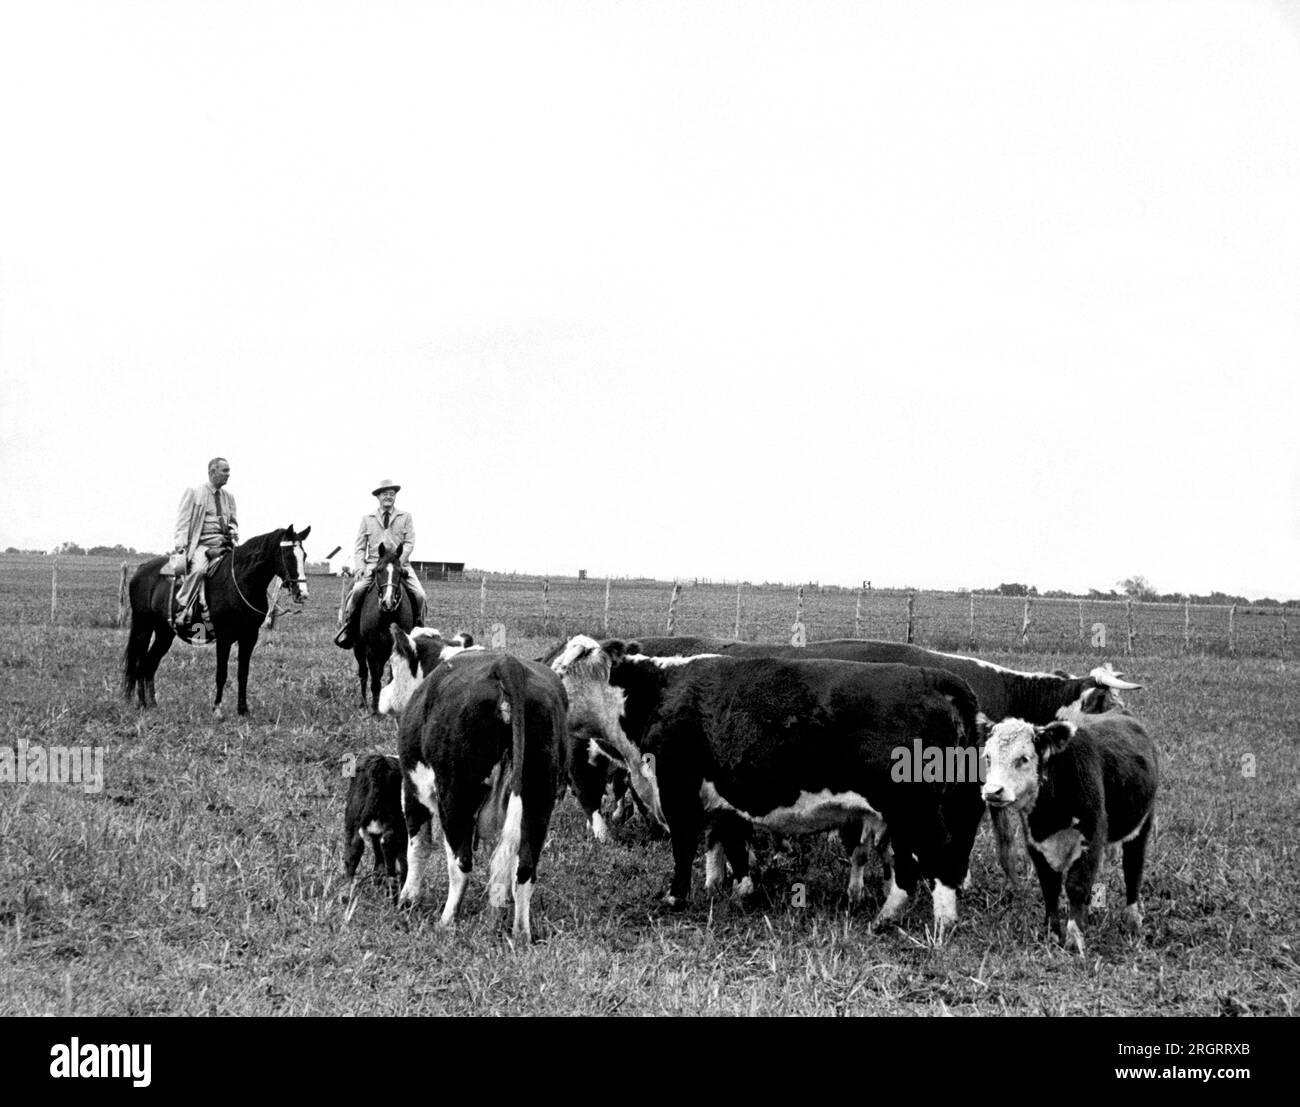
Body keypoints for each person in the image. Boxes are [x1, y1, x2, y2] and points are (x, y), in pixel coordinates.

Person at [334, 478, 427, 647]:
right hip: (374, 565)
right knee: (357, 590)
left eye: (392, 494)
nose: (388, 497)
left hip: (400, 564)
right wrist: (360, 567)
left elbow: (410, 542)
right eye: (385, 494)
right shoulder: (367, 518)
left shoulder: (405, 517)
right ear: (378, 496)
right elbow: (360, 546)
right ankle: (350, 627)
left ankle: (419, 628)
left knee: (420, 595)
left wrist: (399, 561)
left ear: (395, 497)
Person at [172, 457, 238, 631]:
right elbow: (183, 521)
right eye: (225, 471)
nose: (228, 475)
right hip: (202, 545)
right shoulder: (194, 492)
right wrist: (181, 548)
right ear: (212, 472)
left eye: (229, 471)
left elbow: (233, 521)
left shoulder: (229, 497)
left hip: (224, 545)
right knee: (200, 570)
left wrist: (232, 530)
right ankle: (183, 605)